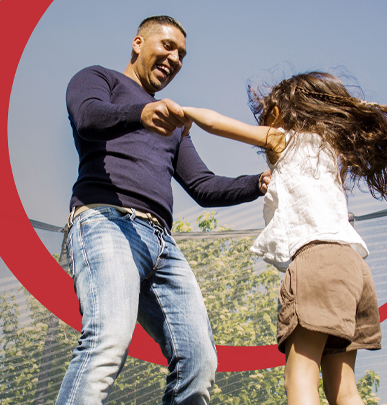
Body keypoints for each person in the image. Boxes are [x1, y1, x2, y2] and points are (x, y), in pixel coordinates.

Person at [56, 15, 269, 405]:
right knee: (108, 338)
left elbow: (204, 186)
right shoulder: (98, 79)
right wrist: (139, 114)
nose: (175, 58)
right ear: (138, 43)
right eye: (167, 46)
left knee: (199, 359)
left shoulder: (170, 122)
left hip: (161, 244)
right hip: (105, 220)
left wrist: (258, 183)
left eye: (182, 55)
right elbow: (87, 117)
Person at [181, 71, 387, 405]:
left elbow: (217, 123)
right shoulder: (330, 149)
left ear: (284, 112)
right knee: (344, 390)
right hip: (355, 269)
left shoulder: (283, 138)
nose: (263, 121)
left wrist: (186, 114)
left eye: (268, 114)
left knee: (299, 378)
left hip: (317, 261)